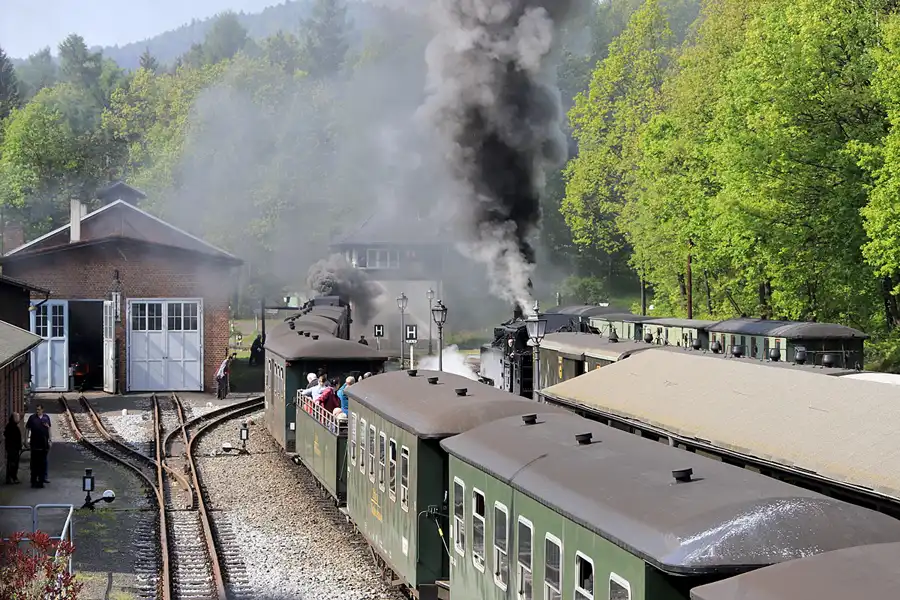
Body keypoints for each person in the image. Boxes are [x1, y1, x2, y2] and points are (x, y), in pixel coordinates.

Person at [25, 406, 51, 488]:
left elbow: (49, 428)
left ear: (42, 410)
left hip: (43, 444)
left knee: (42, 463)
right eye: (36, 409)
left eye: (39, 409)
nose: (37, 411)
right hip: (34, 444)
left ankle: (41, 481)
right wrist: (26, 440)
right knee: (34, 464)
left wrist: (50, 439)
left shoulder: (46, 418)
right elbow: (27, 428)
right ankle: (33, 481)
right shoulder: (32, 418)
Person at [4, 413, 22, 484]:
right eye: (17, 417)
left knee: (13, 463)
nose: (19, 418)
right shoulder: (11, 427)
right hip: (12, 449)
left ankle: (11, 477)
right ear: (13, 418)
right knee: (13, 463)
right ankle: (12, 477)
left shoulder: (12, 426)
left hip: (13, 448)